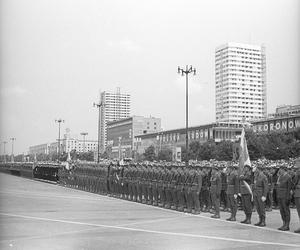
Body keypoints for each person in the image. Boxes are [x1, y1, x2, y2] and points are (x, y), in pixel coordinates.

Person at [276, 164, 292, 231]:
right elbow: (278, 186)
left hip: (285, 196)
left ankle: (287, 225)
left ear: (284, 170)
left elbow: (289, 188)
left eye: (281, 169)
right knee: (282, 211)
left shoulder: (288, 177)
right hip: (280, 195)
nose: (279, 170)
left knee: (286, 211)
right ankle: (284, 223)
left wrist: (288, 197)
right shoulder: (280, 177)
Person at [293, 158, 300, 233]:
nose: (296, 164)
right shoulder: (297, 172)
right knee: (299, 211)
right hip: (297, 193)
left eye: (297, 162)